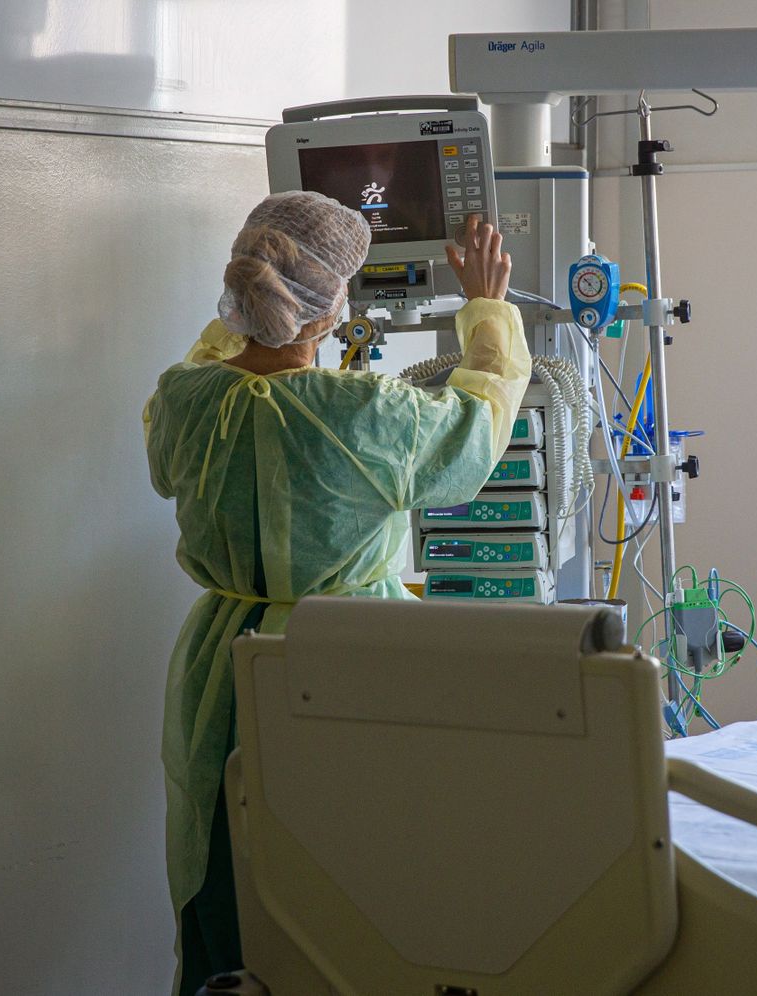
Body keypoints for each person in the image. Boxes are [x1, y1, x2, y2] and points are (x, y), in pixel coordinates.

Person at [142, 191, 529, 995]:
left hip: (221, 676)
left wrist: (253, 327)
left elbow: (203, 391)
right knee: (354, 887)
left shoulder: (182, 400)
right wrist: (485, 304)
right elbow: (476, 426)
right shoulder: (366, 416)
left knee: (225, 869)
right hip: (347, 667)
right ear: (328, 312)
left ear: (240, 290)